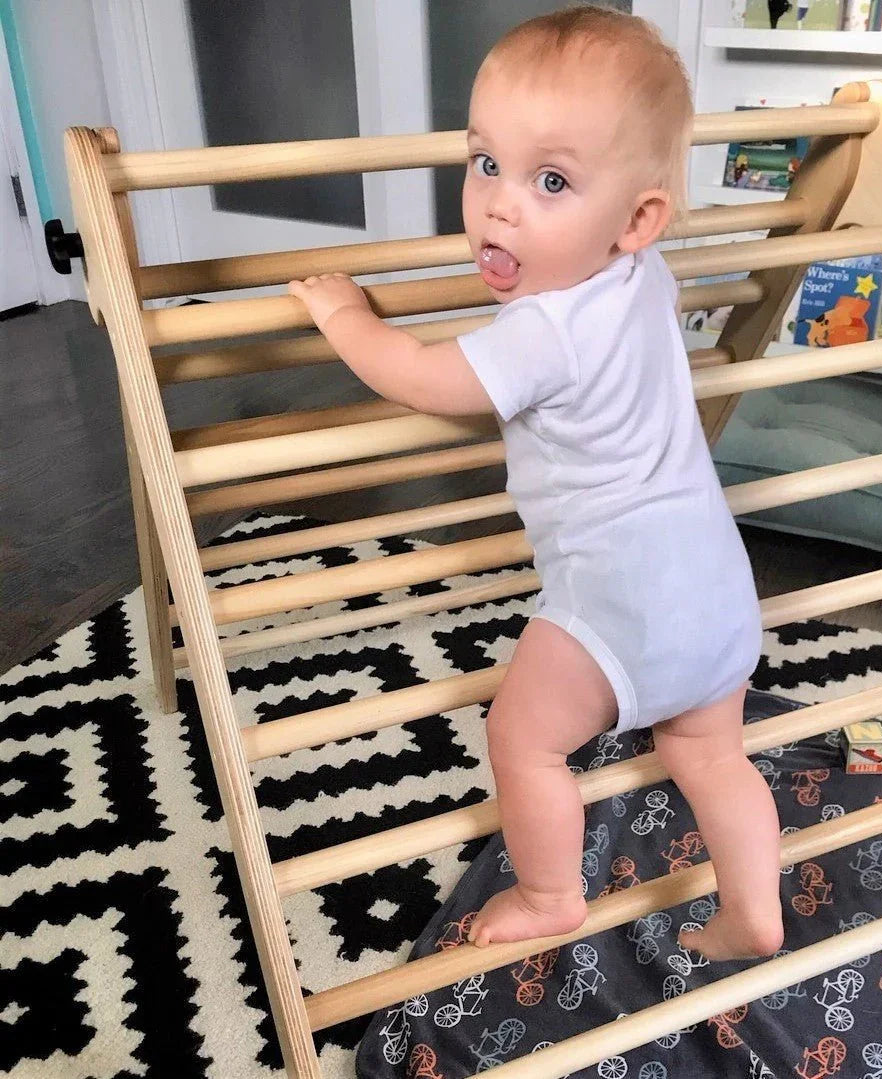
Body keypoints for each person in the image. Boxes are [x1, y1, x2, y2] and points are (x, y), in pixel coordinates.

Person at [288, 4, 781, 962]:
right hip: (718, 583)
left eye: (550, 180)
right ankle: (753, 907)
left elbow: (428, 378)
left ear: (636, 218)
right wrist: (560, 209)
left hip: (617, 592)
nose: (500, 205)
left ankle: (553, 890)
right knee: (710, 751)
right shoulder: (648, 278)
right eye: (485, 164)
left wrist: (347, 317)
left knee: (523, 739)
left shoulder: (541, 331)